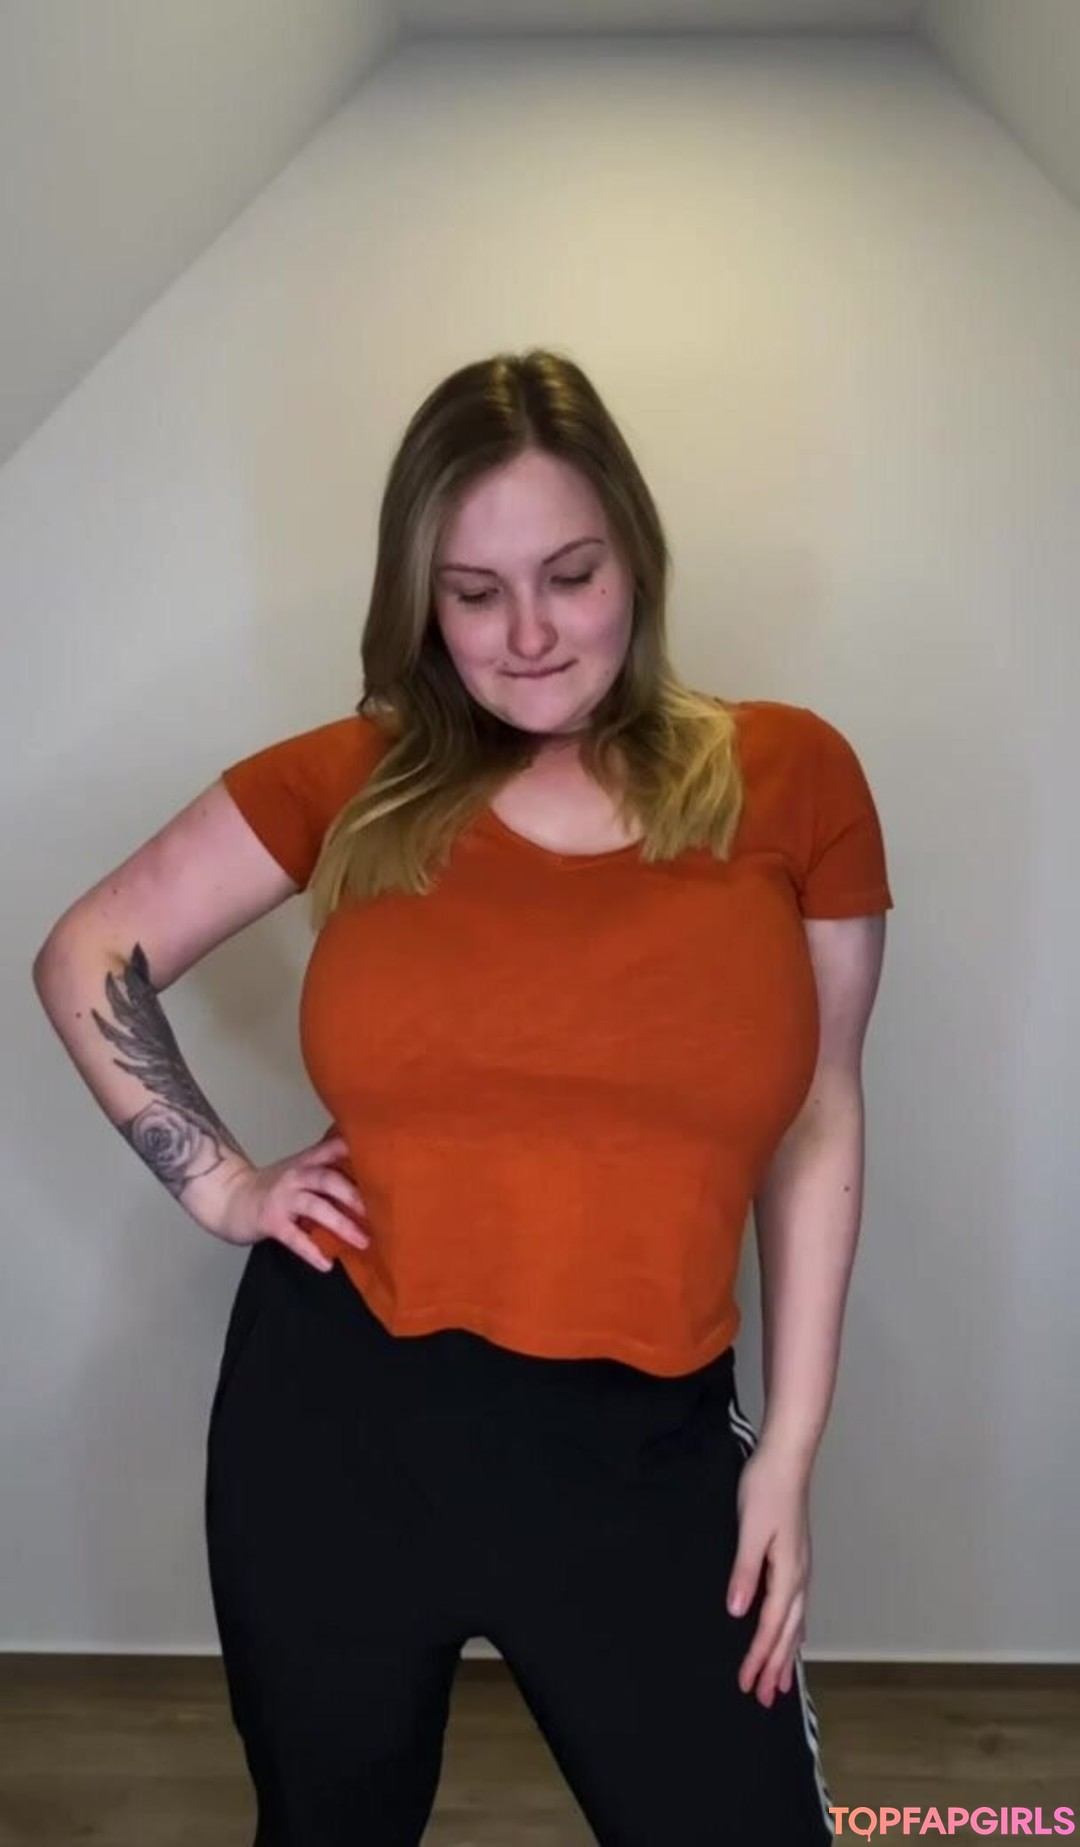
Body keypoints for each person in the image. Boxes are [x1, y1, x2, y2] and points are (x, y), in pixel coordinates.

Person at [32, 346, 892, 1846]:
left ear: (637, 555)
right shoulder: (355, 778)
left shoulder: (791, 777)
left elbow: (817, 1109)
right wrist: (225, 1185)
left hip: (642, 1445)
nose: (531, 634)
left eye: (571, 574)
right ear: (421, 601)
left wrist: (794, 1448)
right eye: (475, 592)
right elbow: (87, 950)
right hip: (338, 1428)